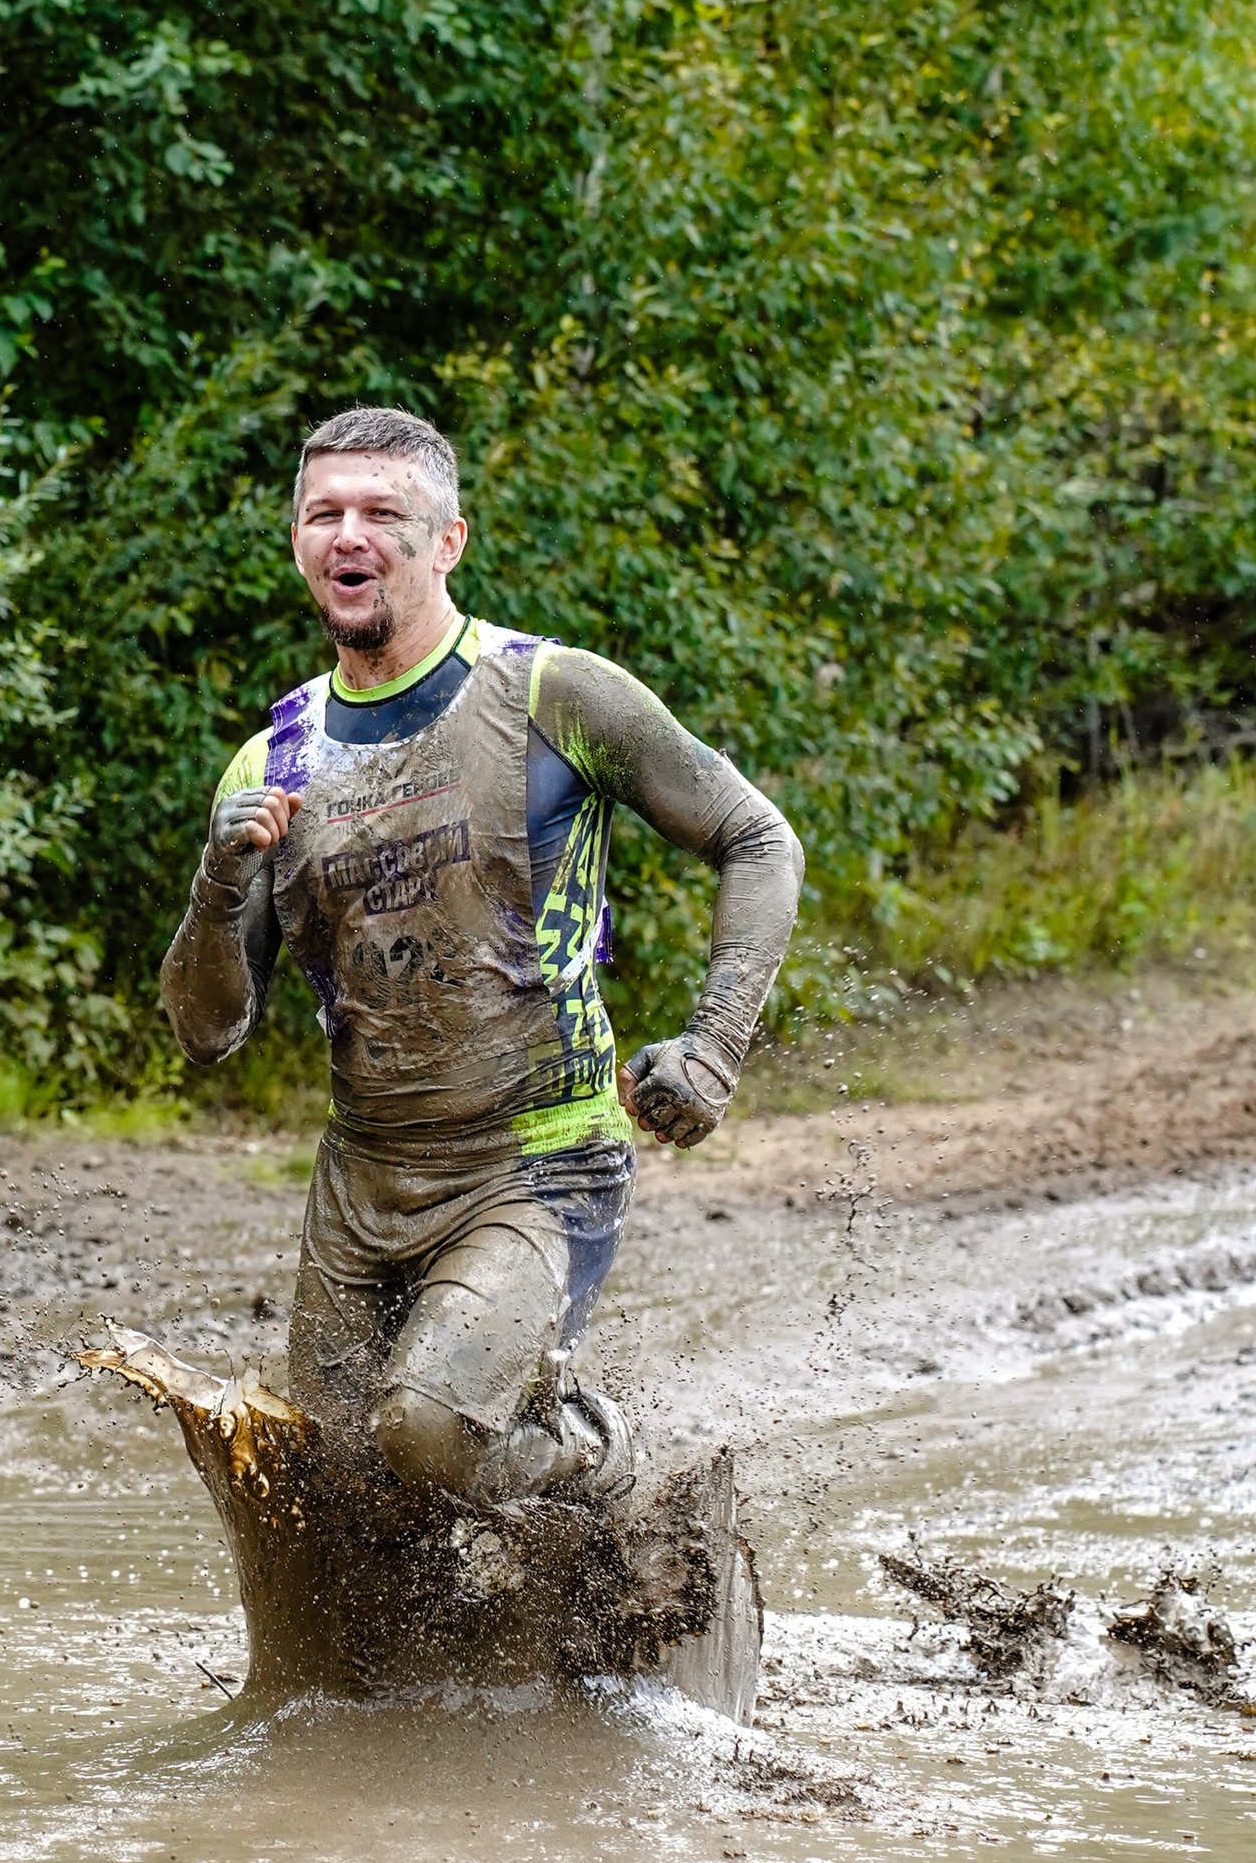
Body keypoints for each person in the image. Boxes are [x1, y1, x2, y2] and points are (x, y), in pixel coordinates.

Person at [161, 405, 802, 1512]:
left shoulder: (554, 694)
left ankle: (605, 1471)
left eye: (380, 513)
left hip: (538, 1163)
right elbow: (206, 1029)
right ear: (298, 542)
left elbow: (758, 838)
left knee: (424, 1431)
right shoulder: (273, 760)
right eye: (323, 515)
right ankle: (444, 1668)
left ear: (446, 540)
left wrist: (713, 1045)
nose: (347, 535)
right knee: (328, 1491)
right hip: (360, 1185)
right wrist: (217, 889)